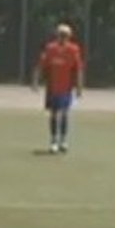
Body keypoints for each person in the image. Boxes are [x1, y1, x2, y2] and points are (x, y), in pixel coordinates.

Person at [32, 23, 84, 153]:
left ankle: (63, 140)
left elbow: (78, 70)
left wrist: (79, 87)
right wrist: (35, 82)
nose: (63, 38)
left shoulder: (73, 50)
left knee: (65, 114)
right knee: (54, 115)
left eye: (65, 35)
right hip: (52, 88)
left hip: (66, 89)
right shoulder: (50, 49)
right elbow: (40, 66)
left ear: (69, 37)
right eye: (61, 35)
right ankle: (54, 140)